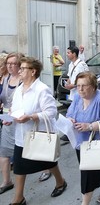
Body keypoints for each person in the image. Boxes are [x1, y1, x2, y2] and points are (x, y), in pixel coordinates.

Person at [4, 57, 67, 205]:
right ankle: (18, 198)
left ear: (33, 72)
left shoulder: (42, 89)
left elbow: (51, 112)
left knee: (47, 161)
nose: (19, 71)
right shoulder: (19, 89)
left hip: (38, 135)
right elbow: (16, 108)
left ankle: (60, 182)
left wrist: (31, 117)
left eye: (23, 68)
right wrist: (10, 116)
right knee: (19, 166)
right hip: (21, 135)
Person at [66, 72, 100, 205]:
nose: (80, 89)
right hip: (80, 142)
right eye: (78, 86)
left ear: (93, 86)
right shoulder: (77, 97)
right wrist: (70, 119)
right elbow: (70, 113)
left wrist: (89, 126)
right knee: (93, 168)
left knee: (87, 175)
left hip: (95, 144)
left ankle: (85, 203)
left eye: (84, 86)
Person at [0, 52, 23, 195]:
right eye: (8, 63)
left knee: (31, 151)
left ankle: (49, 169)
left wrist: (12, 115)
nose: (9, 66)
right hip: (7, 119)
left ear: (19, 65)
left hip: (21, 120)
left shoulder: (24, 80)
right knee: (4, 152)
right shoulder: (5, 78)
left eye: (13, 63)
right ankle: (7, 181)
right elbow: (3, 98)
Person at [62, 46, 89, 143]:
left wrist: (72, 86)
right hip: (73, 93)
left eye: (69, 52)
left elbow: (83, 79)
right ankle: (70, 132)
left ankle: (73, 132)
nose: (67, 54)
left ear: (74, 54)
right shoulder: (71, 65)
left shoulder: (81, 65)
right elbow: (70, 76)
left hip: (80, 92)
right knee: (73, 112)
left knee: (77, 113)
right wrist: (67, 83)